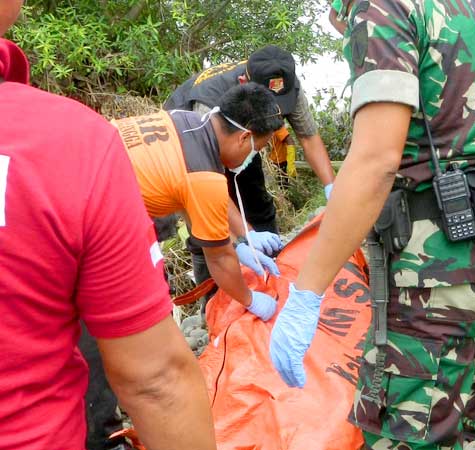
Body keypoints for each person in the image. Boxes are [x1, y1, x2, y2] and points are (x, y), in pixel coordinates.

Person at [271, 0, 475, 448]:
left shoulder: (385, 8)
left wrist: (307, 293)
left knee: (406, 426)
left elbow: (376, 162)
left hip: (440, 270)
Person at [0, 1, 216, 449]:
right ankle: (105, 433)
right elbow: (157, 381)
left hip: (96, 216)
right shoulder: (68, 141)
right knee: (103, 335)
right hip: (101, 215)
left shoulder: (185, 130)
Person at [165, 46, 336, 289]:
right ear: (245, 84)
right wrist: (243, 237)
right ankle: (215, 298)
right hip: (192, 142)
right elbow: (209, 186)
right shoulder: (206, 105)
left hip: (244, 136)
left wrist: (332, 187)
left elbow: (308, 137)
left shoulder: (287, 84)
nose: (276, 110)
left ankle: (271, 275)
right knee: (208, 224)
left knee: (257, 201)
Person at [118, 83, 285, 320]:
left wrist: (238, 245)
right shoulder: (205, 177)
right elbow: (218, 258)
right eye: (257, 148)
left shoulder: (185, 120)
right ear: (244, 137)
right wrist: (250, 299)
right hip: (95, 222)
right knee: (143, 316)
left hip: (73, 181)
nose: (252, 157)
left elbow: (189, 199)